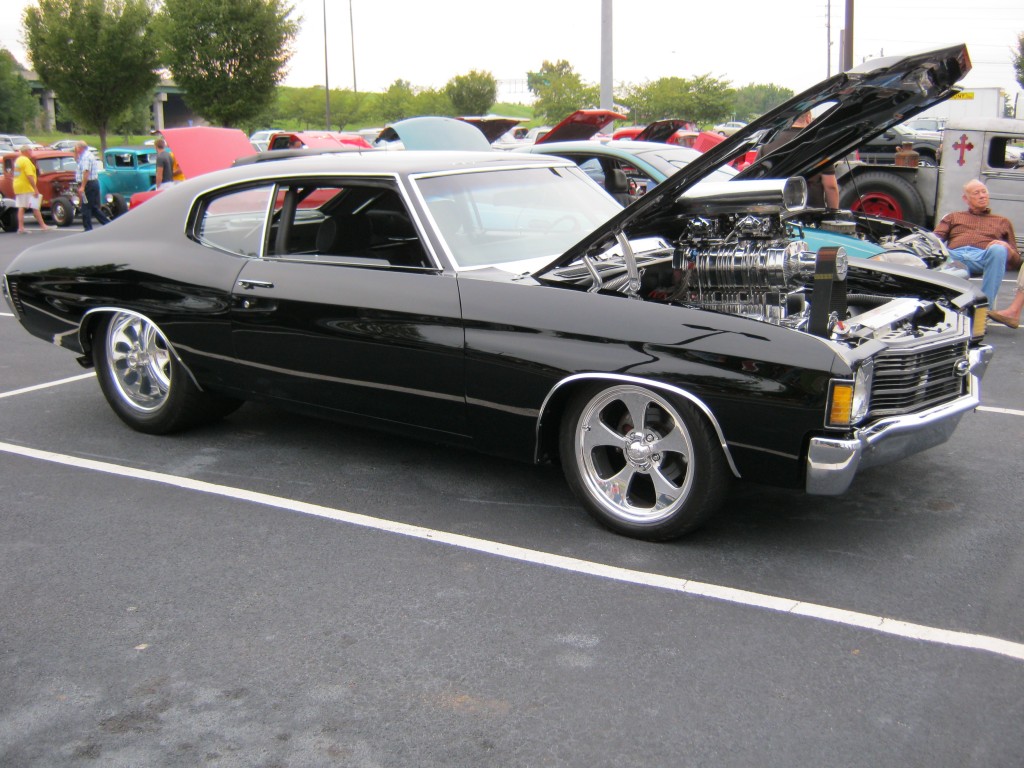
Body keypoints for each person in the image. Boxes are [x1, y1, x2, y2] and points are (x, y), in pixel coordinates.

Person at [933, 179, 1017, 302]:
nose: (982, 196)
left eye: (984, 192)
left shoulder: (1002, 221)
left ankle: (985, 306)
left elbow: (1017, 262)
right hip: (954, 256)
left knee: (999, 249)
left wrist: (1007, 248)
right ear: (965, 199)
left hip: (982, 257)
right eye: (976, 193)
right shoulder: (953, 217)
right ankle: (936, 302)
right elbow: (935, 239)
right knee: (933, 248)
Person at [755, 111, 839, 209]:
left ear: (790, 120)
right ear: (808, 118)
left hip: (775, 213)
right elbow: (830, 186)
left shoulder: (768, 144)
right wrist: (833, 215)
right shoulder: (819, 145)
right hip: (810, 215)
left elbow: (756, 180)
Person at [13, 145, 50, 234]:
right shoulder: (26, 161)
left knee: (27, 206)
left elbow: (17, 173)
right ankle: (40, 226)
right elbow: (29, 175)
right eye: (30, 150)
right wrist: (35, 188)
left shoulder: (18, 160)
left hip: (18, 185)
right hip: (25, 186)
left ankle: (25, 227)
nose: (31, 152)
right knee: (30, 206)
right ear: (26, 151)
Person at [75, 141, 110, 231]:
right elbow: (77, 160)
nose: (75, 149)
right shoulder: (85, 156)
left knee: (86, 207)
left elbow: (86, 171)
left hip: (88, 184)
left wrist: (82, 186)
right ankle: (107, 223)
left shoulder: (86, 157)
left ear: (80, 147)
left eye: (76, 147)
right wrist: (75, 153)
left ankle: (88, 228)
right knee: (93, 207)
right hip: (92, 183)